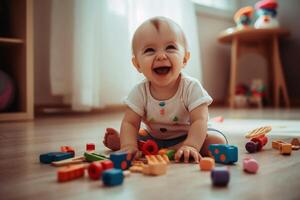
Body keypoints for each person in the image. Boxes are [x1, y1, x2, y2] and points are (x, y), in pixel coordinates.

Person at [103, 16, 225, 163]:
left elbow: (200, 120)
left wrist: (191, 145)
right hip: (153, 138)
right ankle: (131, 145)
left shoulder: (191, 87)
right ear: (137, 64)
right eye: (149, 50)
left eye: (170, 47)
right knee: (133, 137)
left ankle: (179, 148)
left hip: (191, 135)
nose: (161, 56)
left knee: (216, 141)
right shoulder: (139, 92)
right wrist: (128, 145)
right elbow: (130, 123)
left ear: (185, 59)